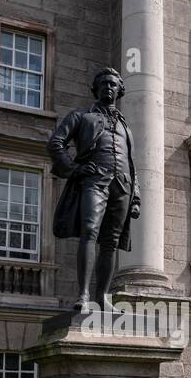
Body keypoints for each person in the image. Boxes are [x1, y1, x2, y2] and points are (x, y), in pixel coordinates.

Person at [48, 68, 142, 310]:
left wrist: (136, 197)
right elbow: (56, 143)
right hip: (94, 180)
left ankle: (102, 297)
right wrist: (74, 168)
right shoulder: (81, 116)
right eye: (103, 84)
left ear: (119, 90)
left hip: (122, 185)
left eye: (113, 84)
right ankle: (83, 295)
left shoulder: (126, 127)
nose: (108, 87)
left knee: (110, 241)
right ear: (96, 89)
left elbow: (132, 164)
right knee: (90, 230)